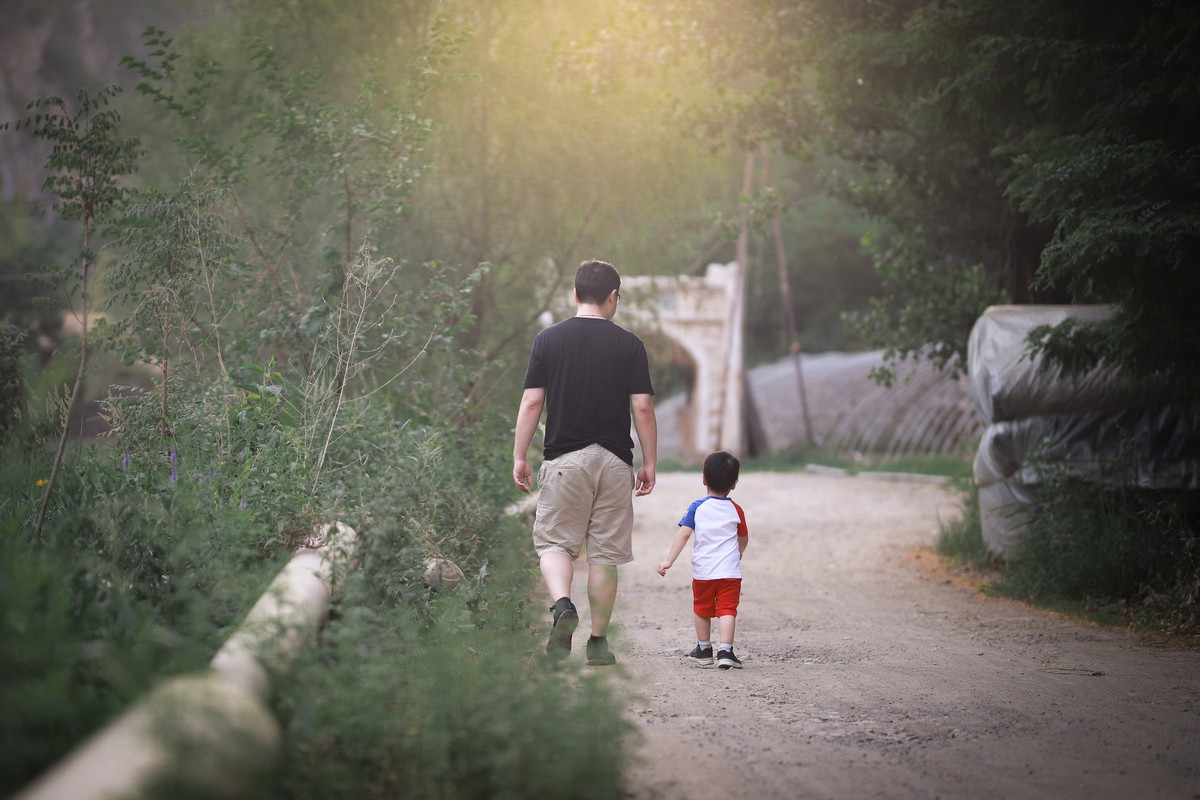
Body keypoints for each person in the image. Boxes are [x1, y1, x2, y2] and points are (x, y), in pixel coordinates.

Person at [513, 258, 657, 666]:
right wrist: (649, 462)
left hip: (564, 460)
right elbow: (642, 408)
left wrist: (520, 455)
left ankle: (562, 606)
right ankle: (598, 644)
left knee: (555, 544)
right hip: (614, 462)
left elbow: (531, 402)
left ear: (574, 294)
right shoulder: (630, 345)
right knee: (604, 556)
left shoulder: (548, 340)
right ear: (613, 297)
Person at [656, 450, 748, 670]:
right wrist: (738, 554)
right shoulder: (736, 510)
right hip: (730, 572)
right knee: (727, 610)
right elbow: (743, 537)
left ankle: (704, 650)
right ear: (734, 483)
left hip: (704, 572)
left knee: (702, 609)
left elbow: (684, 534)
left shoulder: (697, 507)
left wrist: (669, 560)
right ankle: (726, 651)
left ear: (703, 479)